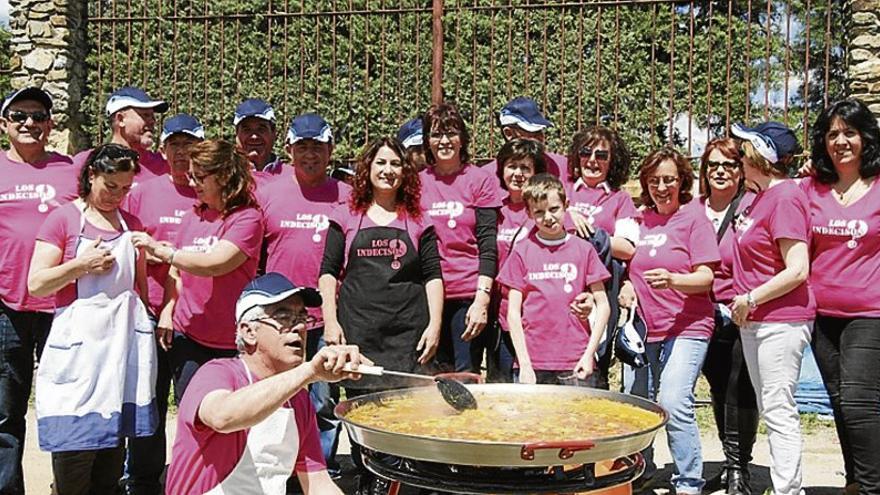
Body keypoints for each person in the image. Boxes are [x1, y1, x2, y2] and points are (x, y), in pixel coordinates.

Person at [28, 143, 156, 495]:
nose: (117, 196)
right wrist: (80, 266)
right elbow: (36, 283)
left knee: (109, 459)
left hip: (117, 354)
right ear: (91, 176)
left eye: (126, 188)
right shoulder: (65, 219)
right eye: (110, 186)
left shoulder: (131, 226)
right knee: (74, 454)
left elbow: (139, 288)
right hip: (79, 354)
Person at [165, 272, 364, 494]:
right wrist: (309, 372)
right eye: (284, 318)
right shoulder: (217, 374)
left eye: (301, 318)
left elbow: (318, 483)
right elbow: (222, 417)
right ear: (248, 332)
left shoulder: (298, 400)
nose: (298, 327)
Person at [319, 137, 443, 494]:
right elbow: (328, 272)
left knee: (403, 416)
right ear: (367, 169)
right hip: (359, 333)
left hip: (407, 333)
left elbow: (433, 275)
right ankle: (368, 480)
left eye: (395, 164)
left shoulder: (419, 220)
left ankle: (399, 484)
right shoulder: (346, 215)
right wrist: (331, 320)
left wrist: (434, 325)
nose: (388, 171)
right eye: (381, 163)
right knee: (361, 415)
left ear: (405, 172)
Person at [132, 139, 264, 404]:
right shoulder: (193, 216)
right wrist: (168, 312)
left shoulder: (247, 218)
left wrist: (164, 252)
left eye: (199, 177)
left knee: (228, 418)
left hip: (230, 340)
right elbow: (176, 272)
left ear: (224, 176)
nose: (192, 183)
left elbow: (216, 263)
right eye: (190, 175)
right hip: (188, 335)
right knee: (191, 411)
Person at [256, 112, 350, 477]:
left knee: (323, 401)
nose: (310, 155)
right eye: (302, 147)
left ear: (330, 151)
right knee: (276, 397)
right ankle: (275, 471)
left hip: (329, 317)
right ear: (289, 150)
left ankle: (320, 471)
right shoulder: (267, 192)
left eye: (317, 147)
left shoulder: (346, 195)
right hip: (279, 318)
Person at [622, 147, 720, 493]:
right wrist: (626, 286)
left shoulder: (694, 219)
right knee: (638, 403)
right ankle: (638, 471)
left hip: (688, 326)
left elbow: (707, 277)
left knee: (674, 400)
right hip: (644, 330)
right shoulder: (638, 221)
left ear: (682, 182)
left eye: (668, 180)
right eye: (654, 181)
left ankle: (688, 482)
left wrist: (674, 280)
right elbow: (628, 265)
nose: (661, 187)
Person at [0, 86, 79, 494]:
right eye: (19, 116)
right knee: (4, 413)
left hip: (62, 307)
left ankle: (65, 487)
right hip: (6, 308)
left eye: (38, 116)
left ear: (50, 125)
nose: (29, 123)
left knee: (65, 407)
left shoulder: (70, 170)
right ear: (4, 124)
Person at [120, 113, 203, 495]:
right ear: (165, 149)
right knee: (147, 402)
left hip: (196, 317)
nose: (182, 153)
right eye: (175, 145)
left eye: (190, 146)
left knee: (194, 404)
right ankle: (143, 480)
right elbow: (127, 245)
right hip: (148, 311)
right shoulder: (143, 191)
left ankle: (194, 478)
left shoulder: (210, 193)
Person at [729, 122, 814, 495]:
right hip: (757, 320)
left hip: (781, 320)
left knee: (779, 411)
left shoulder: (784, 198)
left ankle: (787, 490)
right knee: (772, 409)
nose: (737, 154)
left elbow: (798, 268)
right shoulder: (759, 196)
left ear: (758, 156)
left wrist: (751, 298)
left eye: (743, 148)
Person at [803, 98, 880, 495]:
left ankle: (871, 486)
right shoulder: (811, 187)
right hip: (821, 312)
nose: (841, 141)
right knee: (838, 401)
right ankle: (854, 480)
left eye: (849, 132)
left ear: (865, 137)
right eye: (833, 134)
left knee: (858, 402)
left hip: (870, 313)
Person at [497, 174, 611, 386]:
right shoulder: (522, 251)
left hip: (575, 360)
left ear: (566, 206)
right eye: (539, 212)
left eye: (553, 209)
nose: (547, 217)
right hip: (533, 362)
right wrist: (524, 364)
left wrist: (589, 355)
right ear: (529, 213)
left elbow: (603, 305)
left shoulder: (583, 249)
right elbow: (513, 313)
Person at [419, 102, 501, 373]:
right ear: (427, 141)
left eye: (451, 133)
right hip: (427, 296)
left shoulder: (480, 180)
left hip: (467, 294)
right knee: (431, 380)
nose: (444, 141)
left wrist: (482, 300)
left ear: (462, 138)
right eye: (436, 134)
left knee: (465, 378)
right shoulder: (417, 183)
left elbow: (488, 246)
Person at [698, 138, 759, 494]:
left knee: (740, 389)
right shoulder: (692, 208)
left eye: (729, 164)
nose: (720, 171)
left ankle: (738, 468)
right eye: (713, 165)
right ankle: (727, 461)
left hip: (741, 312)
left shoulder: (751, 207)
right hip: (700, 315)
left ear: (740, 170)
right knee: (719, 389)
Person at [491, 139, 548, 382]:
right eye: (512, 166)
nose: (517, 173)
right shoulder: (492, 209)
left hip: (531, 317)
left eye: (525, 167)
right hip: (497, 314)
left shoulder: (544, 212)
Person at [565, 126, 639, 260]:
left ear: (612, 161)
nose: (592, 159)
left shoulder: (620, 199)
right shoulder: (561, 189)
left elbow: (627, 248)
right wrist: (567, 216)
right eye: (585, 152)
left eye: (601, 155)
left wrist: (586, 236)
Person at [74, 87, 169, 185]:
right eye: (145, 115)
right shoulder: (85, 163)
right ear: (120, 119)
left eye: (153, 116)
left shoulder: (167, 165)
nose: (152, 121)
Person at [484, 96, 569, 186]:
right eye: (531, 132)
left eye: (540, 131)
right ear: (508, 133)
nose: (540, 137)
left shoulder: (562, 166)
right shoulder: (486, 177)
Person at [233, 97, 284, 175]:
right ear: (236, 134)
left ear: (274, 133)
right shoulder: (223, 177)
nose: (254, 136)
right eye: (247, 130)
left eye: (261, 129)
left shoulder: (295, 178)